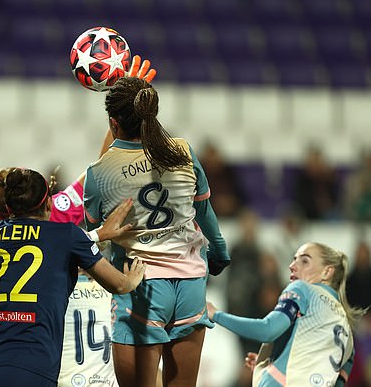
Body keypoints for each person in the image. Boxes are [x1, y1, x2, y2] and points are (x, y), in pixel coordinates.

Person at [83, 75, 231, 387]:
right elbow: (204, 212)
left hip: (141, 286)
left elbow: (95, 226)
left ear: (113, 123)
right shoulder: (183, 152)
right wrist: (219, 253)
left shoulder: (100, 173)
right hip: (191, 284)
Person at [0, 167, 146, 387]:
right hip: (32, 365)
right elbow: (119, 285)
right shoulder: (68, 235)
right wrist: (134, 278)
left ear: (7, 207)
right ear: (49, 203)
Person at [207, 242, 368, 387]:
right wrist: (276, 362)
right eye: (294, 259)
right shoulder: (347, 333)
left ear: (327, 272)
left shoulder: (304, 289)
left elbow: (267, 330)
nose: (292, 265)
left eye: (304, 261)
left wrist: (216, 314)